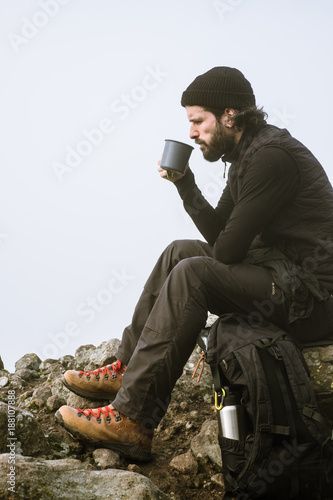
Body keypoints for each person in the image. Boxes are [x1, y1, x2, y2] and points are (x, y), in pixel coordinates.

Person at [55, 67, 333, 462]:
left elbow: (225, 253)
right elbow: (222, 236)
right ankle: (128, 367)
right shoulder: (246, 157)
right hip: (282, 278)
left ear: (229, 115)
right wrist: (185, 183)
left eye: (197, 121)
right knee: (179, 252)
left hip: (314, 298)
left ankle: (132, 420)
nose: (191, 133)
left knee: (194, 272)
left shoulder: (272, 158)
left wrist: (218, 244)